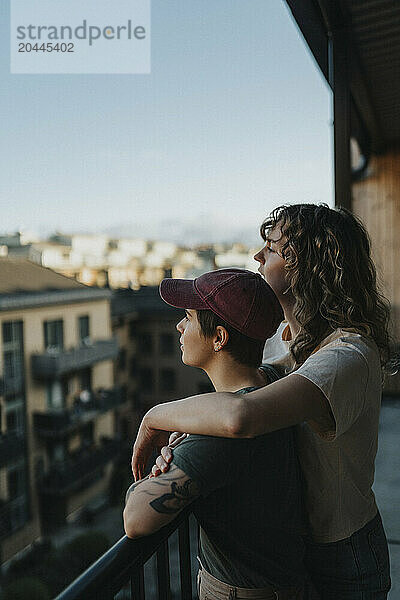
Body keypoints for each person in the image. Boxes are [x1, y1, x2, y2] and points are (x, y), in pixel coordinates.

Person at [132, 204, 392, 600]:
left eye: (270, 249)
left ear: (307, 266)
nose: (257, 256)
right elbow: (240, 391)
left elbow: (241, 413)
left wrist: (156, 417)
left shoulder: (346, 354)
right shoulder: (289, 340)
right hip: (301, 545)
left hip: (343, 552)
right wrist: (189, 430)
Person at [124, 268, 306, 599]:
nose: (179, 326)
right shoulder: (271, 386)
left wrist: (154, 475)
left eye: (189, 318)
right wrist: (188, 427)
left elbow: (135, 521)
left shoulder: (220, 437)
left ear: (219, 338)